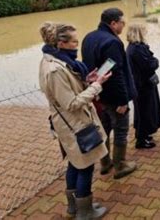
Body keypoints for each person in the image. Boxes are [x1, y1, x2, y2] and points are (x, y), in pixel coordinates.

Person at [39, 22, 110, 219]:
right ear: (61, 44)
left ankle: (74, 207)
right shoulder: (55, 70)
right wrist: (96, 85)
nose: (77, 46)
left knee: (75, 163)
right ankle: (85, 212)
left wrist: (87, 80)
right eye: (74, 42)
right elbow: (71, 103)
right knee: (86, 165)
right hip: (75, 125)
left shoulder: (58, 62)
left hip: (72, 123)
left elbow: (68, 90)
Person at [82, 8, 137, 179]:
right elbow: (116, 72)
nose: (123, 26)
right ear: (113, 23)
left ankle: (105, 163)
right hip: (113, 96)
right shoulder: (112, 42)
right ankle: (120, 165)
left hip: (98, 94)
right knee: (120, 130)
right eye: (122, 23)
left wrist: (94, 88)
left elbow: (100, 68)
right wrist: (122, 101)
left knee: (104, 129)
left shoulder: (89, 37)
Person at [126, 23, 160, 149]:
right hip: (142, 85)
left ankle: (144, 134)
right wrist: (155, 61)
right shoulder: (137, 49)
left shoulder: (133, 47)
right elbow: (149, 65)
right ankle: (141, 140)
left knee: (144, 111)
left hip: (140, 84)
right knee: (145, 112)